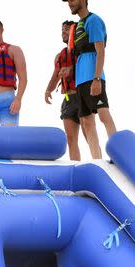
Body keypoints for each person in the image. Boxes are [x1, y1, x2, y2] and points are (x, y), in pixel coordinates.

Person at [64, 0, 117, 159]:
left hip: (93, 77)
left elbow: (100, 51)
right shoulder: (78, 24)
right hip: (80, 80)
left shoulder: (93, 20)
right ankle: (97, 160)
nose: (70, 3)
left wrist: (97, 78)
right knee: (86, 122)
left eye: (72, 0)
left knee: (103, 114)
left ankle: (117, 154)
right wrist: (70, 70)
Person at [45, 21, 81, 160]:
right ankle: (75, 165)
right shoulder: (60, 56)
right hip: (68, 98)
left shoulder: (82, 51)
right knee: (71, 139)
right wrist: (48, 90)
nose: (63, 32)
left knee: (88, 132)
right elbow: (55, 76)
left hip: (82, 95)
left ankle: (97, 162)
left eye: (67, 30)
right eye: (62, 30)